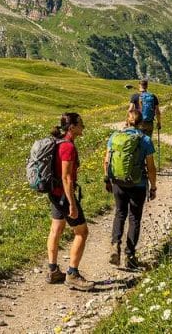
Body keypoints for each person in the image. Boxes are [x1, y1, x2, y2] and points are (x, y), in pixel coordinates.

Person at [46, 113, 94, 291]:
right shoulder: (68, 147)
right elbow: (67, 178)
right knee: (82, 232)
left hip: (54, 193)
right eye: (81, 124)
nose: (83, 127)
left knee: (56, 229)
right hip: (64, 195)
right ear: (72, 127)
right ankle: (72, 274)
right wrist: (72, 204)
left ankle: (53, 270)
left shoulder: (57, 142)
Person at [104, 107, 156, 269]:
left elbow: (106, 161)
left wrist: (107, 179)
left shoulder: (114, 137)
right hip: (138, 183)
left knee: (120, 213)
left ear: (127, 121)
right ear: (141, 123)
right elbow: (151, 167)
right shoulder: (145, 140)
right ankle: (130, 256)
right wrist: (153, 186)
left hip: (118, 182)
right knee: (134, 218)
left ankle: (115, 245)